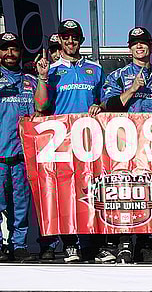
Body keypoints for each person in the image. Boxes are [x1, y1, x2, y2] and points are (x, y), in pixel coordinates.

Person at [100, 27, 152, 263]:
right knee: (124, 191)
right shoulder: (117, 75)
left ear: (151, 47)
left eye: (143, 43)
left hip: (151, 144)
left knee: (148, 189)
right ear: (130, 48)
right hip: (123, 142)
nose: (140, 47)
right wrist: (132, 90)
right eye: (135, 43)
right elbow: (108, 105)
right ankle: (124, 241)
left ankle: (145, 243)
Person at [41, 19, 105, 263]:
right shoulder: (53, 70)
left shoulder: (96, 69)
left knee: (91, 191)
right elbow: (43, 107)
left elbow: (103, 101)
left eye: (74, 37)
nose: (70, 41)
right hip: (63, 143)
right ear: (60, 39)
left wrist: (98, 105)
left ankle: (93, 246)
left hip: (90, 142)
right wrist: (43, 78)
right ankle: (69, 245)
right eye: (66, 37)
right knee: (65, 194)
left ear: (81, 40)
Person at [0, 32, 47, 262]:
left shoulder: (30, 81)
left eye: (14, 49)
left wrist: (43, 77)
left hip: (22, 156)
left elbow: (43, 105)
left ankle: (18, 245)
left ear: (20, 52)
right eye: (4, 49)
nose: (9, 53)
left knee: (20, 205)